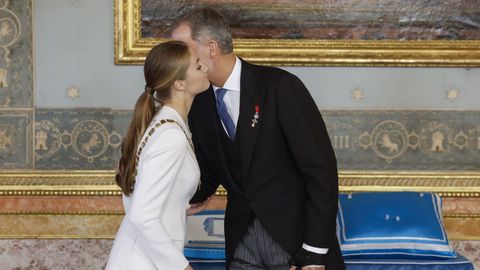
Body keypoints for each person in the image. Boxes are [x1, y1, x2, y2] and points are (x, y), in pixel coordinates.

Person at [171, 8, 346, 270]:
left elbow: (321, 173)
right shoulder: (200, 103)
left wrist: (315, 251)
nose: (175, 56)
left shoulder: (280, 87)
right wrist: (165, 193)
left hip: (296, 244)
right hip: (241, 243)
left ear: (211, 48)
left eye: (181, 47)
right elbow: (207, 174)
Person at [105, 40, 210, 270]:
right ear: (180, 83)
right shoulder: (170, 135)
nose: (205, 67)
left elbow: (135, 195)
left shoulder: (164, 124)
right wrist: (182, 268)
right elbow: (142, 215)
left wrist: (179, 204)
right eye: (197, 65)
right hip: (142, 262)